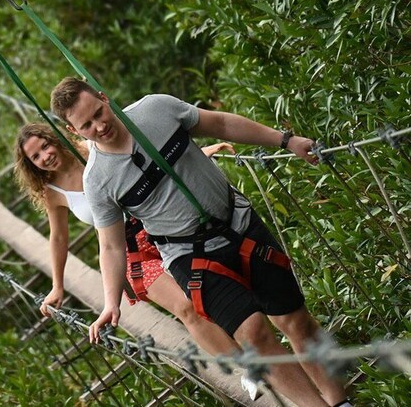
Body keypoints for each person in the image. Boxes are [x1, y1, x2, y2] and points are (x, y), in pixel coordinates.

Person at [49, 77, 353, 407]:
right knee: (253, 335)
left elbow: (220, 123)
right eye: (87, 125)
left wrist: (285, 140)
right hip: (190, 257)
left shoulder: (156, 109)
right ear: (74, 131)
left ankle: (340, 400)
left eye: (98, 113)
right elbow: (110, 246)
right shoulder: (98, 180)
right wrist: (111, 302)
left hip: (239, 224)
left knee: (296, 321)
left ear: (105, 98)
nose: (99, 126)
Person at [13, 123, 241, 356]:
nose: (45, 156)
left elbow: (150, 166)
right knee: (185, 307)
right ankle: (250, 369)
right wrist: (57, 286)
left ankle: (262, 350)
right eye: (36, 156)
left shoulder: (93, 149)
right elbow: (59, 238)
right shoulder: (52, 193)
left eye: (45, 146)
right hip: (128, 251)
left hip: (164, 227)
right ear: (31, 164)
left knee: (211, 290)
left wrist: (198, 153)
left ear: (55, 139)